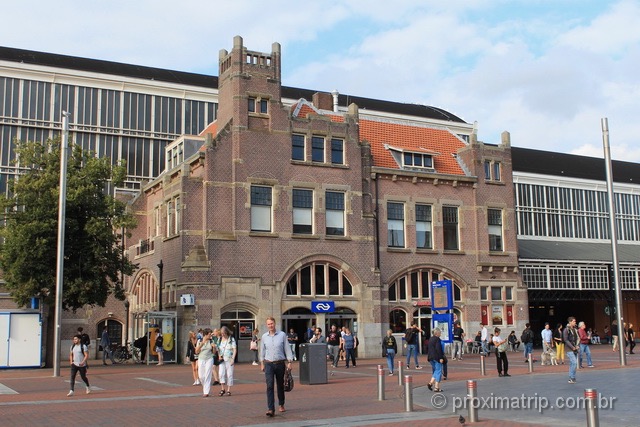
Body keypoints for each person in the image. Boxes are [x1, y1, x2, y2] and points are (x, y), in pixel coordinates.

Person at [260, 316, 294, 417]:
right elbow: (262, 350)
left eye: (272, 323)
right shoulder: (264, 337)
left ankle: (281, 403)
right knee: (269, 386)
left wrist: (289, 361)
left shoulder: (282, 335)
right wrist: (262, 362)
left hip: (280, 363)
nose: (270, 326)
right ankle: (270, 408)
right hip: (269, 363)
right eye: (268, 324)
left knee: (280, 385)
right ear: (266, 325)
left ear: (275, 324)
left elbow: (287, 348)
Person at [217, 326, 237, 396]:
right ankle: (222, 388)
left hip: (229, 358)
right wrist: (219, 355)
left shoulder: (231, 339)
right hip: (222, 359)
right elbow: (218, 349)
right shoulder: (219, 339)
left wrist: (233, 359)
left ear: (227, 332)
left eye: (224, 333)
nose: (223, 335)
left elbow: (234, 349)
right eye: (221, 333)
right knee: (221, 373)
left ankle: (229, 389)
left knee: (229, 374)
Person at [195, 328, 215, 397]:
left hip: (209, 358)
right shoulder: (199, 341)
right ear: (205, 335)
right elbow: (196, 351)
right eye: (209, 334)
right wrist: (202, 344)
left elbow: (214, 352)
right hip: (201, 359)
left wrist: (214, 347)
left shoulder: (211, 341)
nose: (210, 336)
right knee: (201, 376)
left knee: (208, 375)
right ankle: (205, 386)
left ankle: (206, 392)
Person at [426, 328, 445, 393]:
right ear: (437, 333)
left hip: (430, 357)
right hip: (436, 357)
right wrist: (441, 358)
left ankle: (430, 383)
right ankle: (436, 387)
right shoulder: (437, 340)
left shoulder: (430, 339)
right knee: (439, 370)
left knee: (436, 370)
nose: (440, 334)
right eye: (440, 333)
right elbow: (438, 349)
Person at [563, 316, 579, 384]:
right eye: (574, 321)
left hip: (575, 348)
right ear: (570, 322)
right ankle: (572, 377)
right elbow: (566, 340)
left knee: (572, 363)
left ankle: (571, 377)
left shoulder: (575, 329)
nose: (575, 322)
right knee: (574, 362)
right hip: (569, 349)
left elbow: (578, 338)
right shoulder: (566, 330)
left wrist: (577, 345)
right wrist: (572, 347)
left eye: (575, 321)